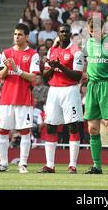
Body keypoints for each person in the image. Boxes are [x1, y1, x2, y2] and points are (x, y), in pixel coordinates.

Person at [0, 24, 40, 174]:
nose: (16, 37)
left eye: (20, 34)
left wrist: (17, 70)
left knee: (25, 131)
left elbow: (33, 77)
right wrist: (7, 67)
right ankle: (3, 164)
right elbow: (0, 75)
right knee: (3, 131)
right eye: (15, 34)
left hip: (24, 99)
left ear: (26, 37)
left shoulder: (33, 54)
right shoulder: (6, 53)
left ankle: (22, 164)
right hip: (6, 98)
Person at [39, 24, 84, 174]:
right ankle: (50, 165)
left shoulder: (76, 51)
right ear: (58, 33)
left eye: (66, 32)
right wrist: (52, 67)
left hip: (70, 90)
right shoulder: (52, 50)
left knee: (72, 126)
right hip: (53, 91)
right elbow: (45, 77)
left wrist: (60, 66)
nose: (63, 34)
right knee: (51, 126)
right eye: (61, 31)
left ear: (70, 34)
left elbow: (77, 76)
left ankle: (72, 165)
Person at [83, 15, 108, 175]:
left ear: (103, 29)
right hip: (92, 86)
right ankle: (96, 165)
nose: (94, 33)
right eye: (92, 30)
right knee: (92, 128)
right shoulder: (88, 43)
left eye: (97, 29)